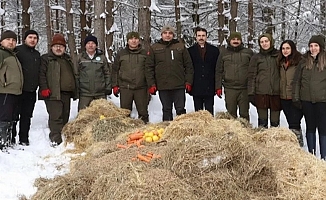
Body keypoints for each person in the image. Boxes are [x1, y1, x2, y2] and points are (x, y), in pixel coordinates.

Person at [146, 25, 194, 121]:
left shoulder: (180, 47)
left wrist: (188, 81)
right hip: (163, 85)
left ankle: (181, 130)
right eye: (165, 33)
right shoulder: (154, 48)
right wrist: (151, 84)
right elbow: (149, 68)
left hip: (179, 85)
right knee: (166, 109)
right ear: (161, 34)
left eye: (170, 33)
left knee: (180, 109)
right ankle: (167, 128)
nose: (167, 35)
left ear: (173, 35)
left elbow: (188, 65)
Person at [39, 33, 77, 146]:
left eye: (61, 46)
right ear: (52, 47)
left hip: (66, 93)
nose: (59, 48)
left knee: (65, 115)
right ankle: (55, 139)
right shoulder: (46, 59)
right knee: (56, 116)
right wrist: (44, 88)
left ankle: (63, 135)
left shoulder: (67, 59)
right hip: (53, 93)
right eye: (56, 46)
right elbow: (41, 74)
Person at [293, 35, 326, 159]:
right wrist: (296, 97)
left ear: (321, 47)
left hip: (323, 101)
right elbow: (297, 81)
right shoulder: (303, 62)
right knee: (310, 127)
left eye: (316, 46)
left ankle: (324, 157)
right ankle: (311, 156)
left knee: (323, 129)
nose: (313, 48)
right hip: (307, 101)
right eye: (311, 46)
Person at [11, 30, 41, 146]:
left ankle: (24, 138)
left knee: (27, 116)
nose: (32, 40)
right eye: (30, 37)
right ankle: (11, 138)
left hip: (31, 91)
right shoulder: (17, 51)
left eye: (35, 38)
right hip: (18, 90)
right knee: (14, 116)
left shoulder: (37, 54)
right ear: (25, 39)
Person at [112, 31, 149, 123]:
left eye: (136, 39)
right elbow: (115, 70)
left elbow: (149, 70)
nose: (134, 41)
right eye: (131, 39)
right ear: (127, 41)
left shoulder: (145, 53)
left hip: (141, 87)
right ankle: (125, 132)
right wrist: (115, 85)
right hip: (125, 87)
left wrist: (151, 84)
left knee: (143, 112)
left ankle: (144, 131)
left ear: (139, 41)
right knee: (124, 112)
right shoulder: (121, 53)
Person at [216, 32, 253, 120]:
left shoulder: (248, 53)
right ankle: (233, 132)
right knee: (231, 113)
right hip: (229, 88)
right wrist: (218, 86)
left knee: (244, 113)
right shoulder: (224, 53)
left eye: (238, 39)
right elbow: (218, 71)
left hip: (244, 88)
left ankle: (245, 131)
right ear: (229, 41)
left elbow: (254, 71)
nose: (236, 41)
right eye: (233, 39)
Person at [248, 33, 281, 128]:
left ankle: (274, 141)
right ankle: (262, 140)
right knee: (262, 121)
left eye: (266, 41)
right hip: (261, 93)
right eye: (262, 42)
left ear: (271, 42)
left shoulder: (278, 55)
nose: (264, 44)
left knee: (275, 121)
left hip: (276, 92)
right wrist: (251, 92)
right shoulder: (256, 57)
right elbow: (251, 75)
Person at [277, 40, 303, 146]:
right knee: (291, 122)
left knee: (294, 122)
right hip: (284, 97)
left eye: (287, 48)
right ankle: (298, 141)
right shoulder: (280, 62)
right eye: (283, 48)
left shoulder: (299, 62)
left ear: (292, 49)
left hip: (295, 97)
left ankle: (297, 145)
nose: (285, 51)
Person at [0, 30, 23, 150]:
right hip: (4, 92)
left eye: (13, 40)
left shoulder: (13, 55)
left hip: (15, 92)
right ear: (1, 41)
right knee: (4, 118)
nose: (11, 42)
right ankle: (2, 144)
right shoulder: (1, 53)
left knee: (12, 118)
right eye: (8, 39)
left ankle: (10, 141)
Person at [188, 27, 219, 115]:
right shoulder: (190, 51)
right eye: (199, 36)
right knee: (198, 112)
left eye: (203, 35)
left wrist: (217, 86)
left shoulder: (214, 50)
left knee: (209, 111)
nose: (201, 38)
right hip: (196, 86)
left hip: (209, 85)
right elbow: (188, 68)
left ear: (206, 36)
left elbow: (218, 68)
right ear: (196, 37)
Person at [77, 35, 111, 111]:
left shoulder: (102, 58)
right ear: (85, 45)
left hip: (100, 93)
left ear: (96, 45)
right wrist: (76, 90)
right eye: (88, 43)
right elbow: (76, 74)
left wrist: (108, 87)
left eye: (93, 43)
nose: (91, 45)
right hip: (85, 93)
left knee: (102, 115)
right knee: (83, 116)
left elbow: (107, 73)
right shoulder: (80, 58)